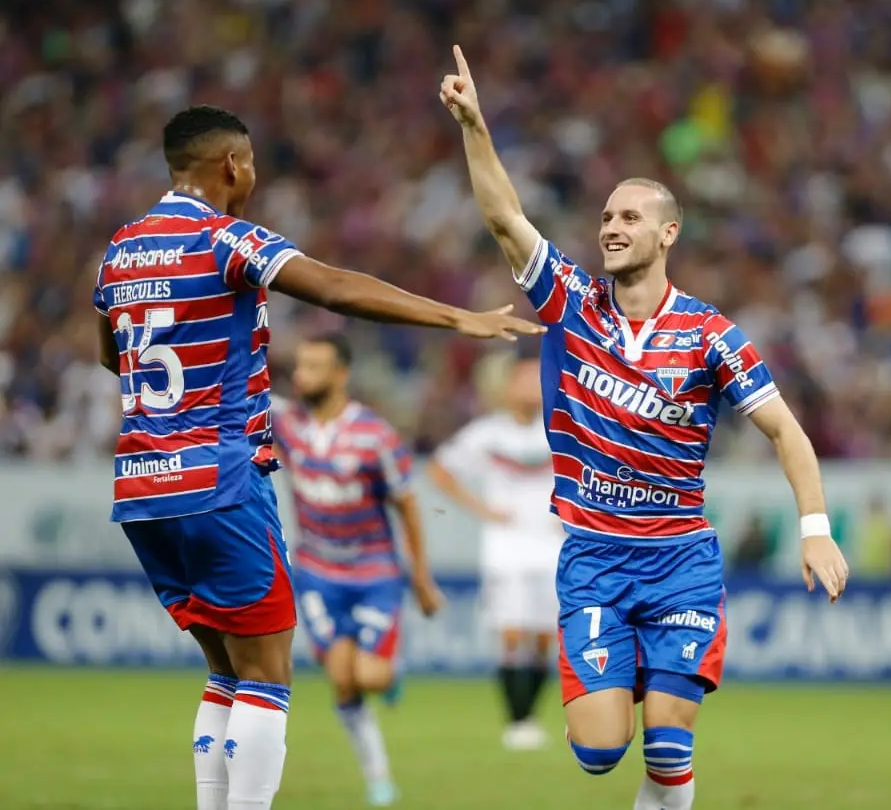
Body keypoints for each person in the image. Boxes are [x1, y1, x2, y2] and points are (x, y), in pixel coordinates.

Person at [92, 104, 543, 810]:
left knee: (224, 673)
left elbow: (109, 353)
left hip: (143, 483)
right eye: (252, 165)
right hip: (220, 477)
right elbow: (333, 285)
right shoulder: (227, 238)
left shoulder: (119, 249)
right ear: (232, 165)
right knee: (267, 674)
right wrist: (457, 316)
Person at [439, 46, 850, 810]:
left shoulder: (711, 334)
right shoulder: (569, 301)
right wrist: (475, 126)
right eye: (605, 216)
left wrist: (816, 527)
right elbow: (504, 216)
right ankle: (616, 678)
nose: (611, 227)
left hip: (680, 560)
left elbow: (788, 433)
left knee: (667, 745)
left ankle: (654, 695)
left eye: (630, 216)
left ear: (668, 234)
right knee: (600, 751)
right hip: (593, 556)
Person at [272, 332, 445, 806]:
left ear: (341, 375)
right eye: (299, 365)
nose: (301, 375)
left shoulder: (375, 436)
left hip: (374, 575)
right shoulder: (285, 424)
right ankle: (378, 777)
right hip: (316, 573)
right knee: (342, 680)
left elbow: (408, 505)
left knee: (369, 677)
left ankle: (391, 674)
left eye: (314, 366)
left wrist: (421, 578)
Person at [427, 352, 563, 751]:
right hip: (506, 547)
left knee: (542, 636)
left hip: (550, 544)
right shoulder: (487, 433)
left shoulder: (558, 430)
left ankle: (529, 717)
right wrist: (483, 510)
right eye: (521, 379)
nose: (528, 387)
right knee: (511, 631)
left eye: (533, 379)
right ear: (506, 387)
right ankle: (516, 719)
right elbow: (439, 470)